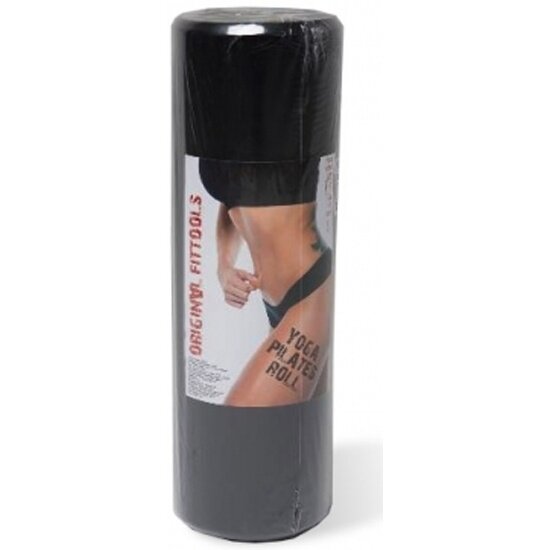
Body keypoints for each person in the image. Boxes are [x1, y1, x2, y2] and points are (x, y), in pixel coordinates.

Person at [199, 157, 334, 406]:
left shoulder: (291, 132)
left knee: (239, 418)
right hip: (273, 307)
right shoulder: (215, 138)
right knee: (295, 424)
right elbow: (230, 197)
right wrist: (224, 265)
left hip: (310, 292)